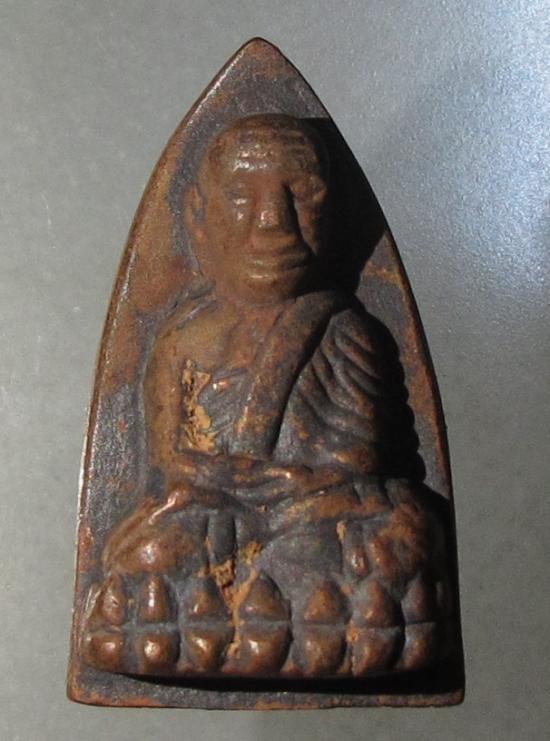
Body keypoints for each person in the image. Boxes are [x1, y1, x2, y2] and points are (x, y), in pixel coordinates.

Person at [84, 114, 451, 679]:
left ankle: (266, 623)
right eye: (240, 197)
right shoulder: (182, 338)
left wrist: (300, 486)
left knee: (403, 532)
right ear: (198, 217)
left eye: (302, 196)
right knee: (151, 550)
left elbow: (363, 461)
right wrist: (221, 481)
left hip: (313, 513)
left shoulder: (344, 329)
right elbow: (169, 463)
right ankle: (290, 622)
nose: (273, 224)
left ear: (334, 217)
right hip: (212, 513)